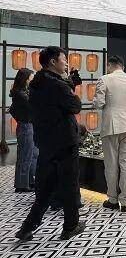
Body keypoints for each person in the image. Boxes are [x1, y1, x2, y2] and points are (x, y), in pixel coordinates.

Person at [15, 46, 86, 241]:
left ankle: (27, 227)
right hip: (64, 142)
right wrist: (69, 85)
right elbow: (76, 106)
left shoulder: (36, 83)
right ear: (53, 62)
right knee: (70, 184)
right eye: (64, 59)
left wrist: (67, 83)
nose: (67, 63)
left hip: (45, 142)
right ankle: (71, 225)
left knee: (46, 187)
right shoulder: (57, 85)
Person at [93, 55, 126, 212]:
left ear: (109, 65)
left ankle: (112, 199)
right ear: (122, 66)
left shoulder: (104, 79)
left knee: (111, 164)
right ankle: (125, 201)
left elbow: (98, 103)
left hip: (111, 126)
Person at [10, 68, 38, 193]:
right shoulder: (20, 94)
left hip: (28, 125)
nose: (33, 81)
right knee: (25, 156)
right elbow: (32, 106)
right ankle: (21, 184)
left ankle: (30, 181)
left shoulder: (22, 92)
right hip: (26, 126)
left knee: (32, 155)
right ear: (25, 80)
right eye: (31, 79)